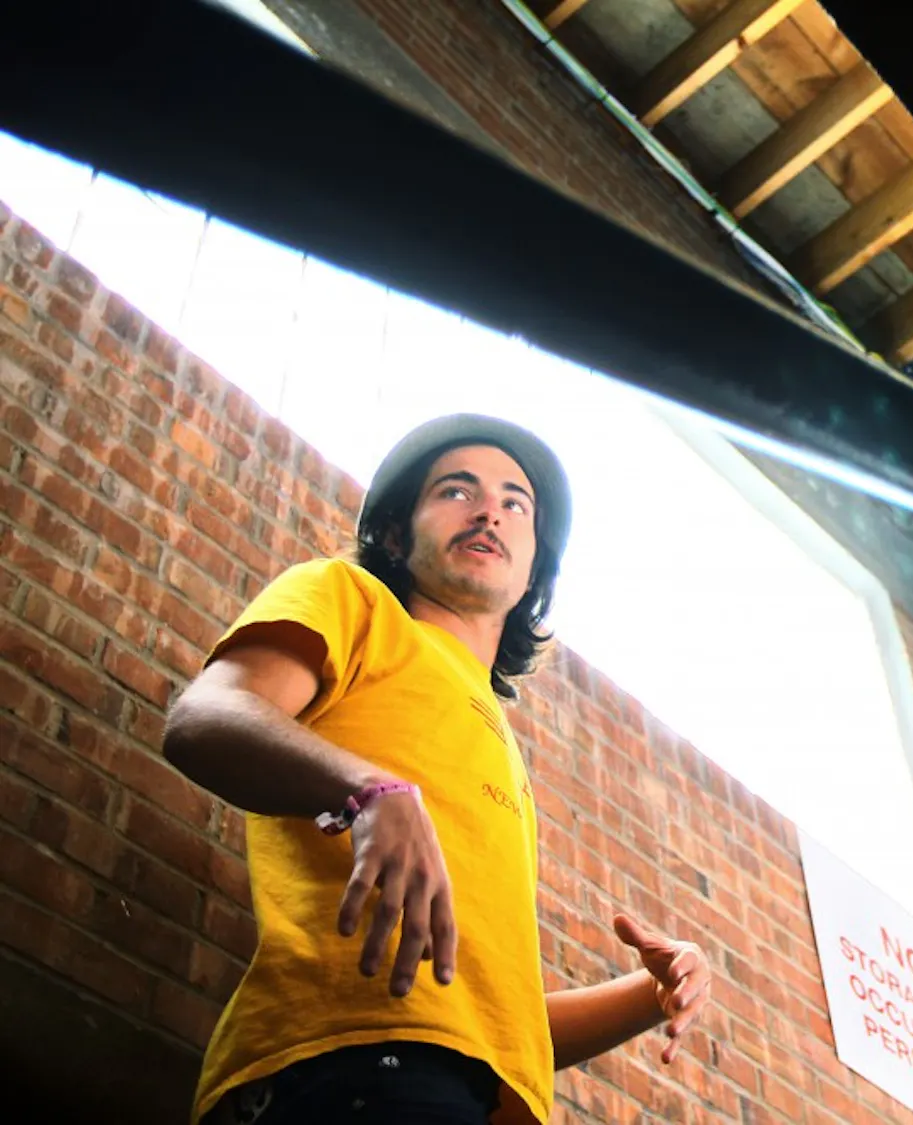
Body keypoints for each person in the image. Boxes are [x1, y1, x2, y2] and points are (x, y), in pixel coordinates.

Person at [164, 413, 712, 1125]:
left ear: (531, 574)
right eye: (459, 490)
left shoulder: (503, 747)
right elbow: (203, 718)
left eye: (516, 503)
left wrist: (647, 992)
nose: (490, 510)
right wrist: (370, 791)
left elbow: (487, 1025)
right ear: (396, 534)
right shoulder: (351, 601)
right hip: (345, 1070)